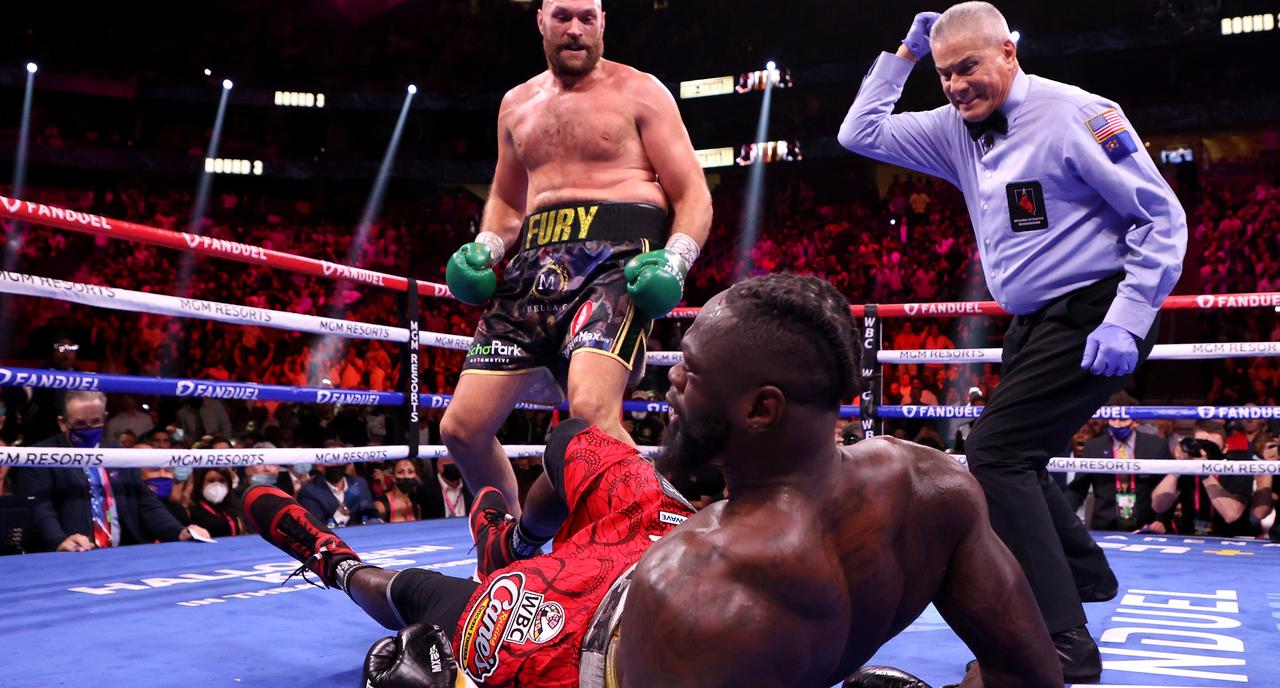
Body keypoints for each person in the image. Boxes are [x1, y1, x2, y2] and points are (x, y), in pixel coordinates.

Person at [242, 274, 1060, 688]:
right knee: (574, 438)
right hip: (657, 526)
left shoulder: (699, 593)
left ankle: (334, 558)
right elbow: (1029, 675)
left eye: (691, 373)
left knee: (425, 600)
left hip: (586, 639)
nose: (668, 382)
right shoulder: (935, 486)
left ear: (762, 407)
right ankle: (509, 538)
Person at [838, 1, 1188, 681]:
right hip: (1031, 324)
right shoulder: (952, 128)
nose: (955, 86)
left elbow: (1161, 216)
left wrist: (1130, 314)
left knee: (996, 455)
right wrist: (903, 58)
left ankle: (1066, 644)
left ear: (1007, 50)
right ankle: (1082, 572)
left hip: (1095, 308)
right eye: (944, 76)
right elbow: (860, 131)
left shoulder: (1079, 113)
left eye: (966, 67)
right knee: (1017, 456)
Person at [439, 0, 713, 514]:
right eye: (563, 16)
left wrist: (676, 261)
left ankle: (669, 535)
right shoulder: (516, 105)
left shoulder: (640, 90)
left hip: (614, 264)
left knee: (589, 413)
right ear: (541, 20)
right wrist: (487, 246)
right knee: (462, 429)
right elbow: (506, 201)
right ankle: (510, 546)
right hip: (531, 270)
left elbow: (694, 195)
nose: (575, 29)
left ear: (603, 24)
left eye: (587, 18)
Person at [10, 390, 210, 551]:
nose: (88, 428)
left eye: (95, 421)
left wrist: (179, 531)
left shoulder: (117, 453)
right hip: (74, 554)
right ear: (63, 423)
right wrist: (58, 540)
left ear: (105, 418)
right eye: (80, 423)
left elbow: (145, 502)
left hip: (123, 552)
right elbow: (40, 507)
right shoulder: (41, 456)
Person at [1065, 408, 1177, 532]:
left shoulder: (1156, 445)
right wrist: (1061, 518)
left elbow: (1166, 489)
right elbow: (1078, 489)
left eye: (1123, 419)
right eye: (1113, 419)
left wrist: (1160, 521)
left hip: (1147, 527)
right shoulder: (1094, 447)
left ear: (1135, 421)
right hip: (1105, 526)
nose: (1117, 424)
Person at [297, 459, 381, 527]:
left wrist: (374, 519)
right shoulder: (309, 492)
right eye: (331, 462)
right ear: (321, 466)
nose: (335, 465)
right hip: (334, 543)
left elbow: (371, 513)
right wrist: (344, 508)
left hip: (363, 538)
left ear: (346, 464)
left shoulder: (359, 483)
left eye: (339, 462)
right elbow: (319, 529)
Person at [187, 468, 242, 538]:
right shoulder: (191, 512)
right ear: (201, 486)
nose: (217, 485)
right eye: (211, 481)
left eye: (221, 481)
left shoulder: (234, 509)